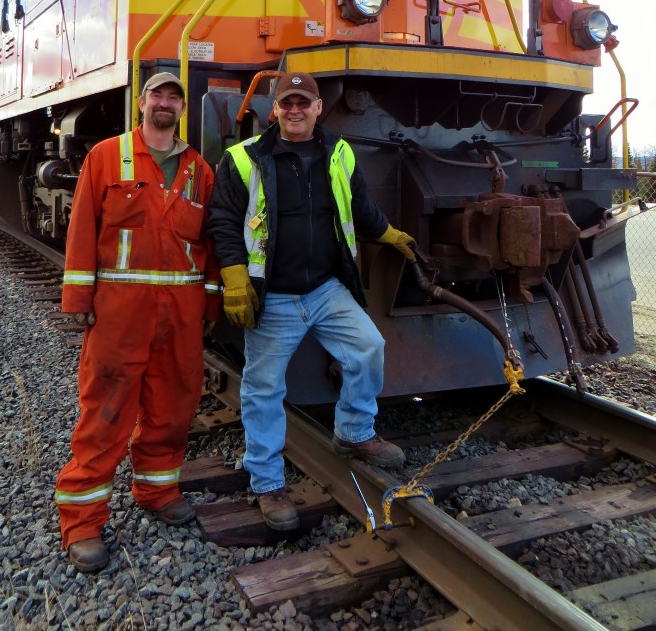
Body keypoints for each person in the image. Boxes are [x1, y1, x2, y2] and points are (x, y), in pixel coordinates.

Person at [207, 72, 416, 533]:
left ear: (319, 108)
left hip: (326, 290)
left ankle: (354, 433)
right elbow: (222, 218)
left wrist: (386, 233)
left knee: (368, 347)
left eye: (304, 103)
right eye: (287, 103)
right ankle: (266, 482)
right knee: (263, 389)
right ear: (274, 109)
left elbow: (359, 208)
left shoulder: (338, 154)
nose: (295, 110)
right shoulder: (243, 159)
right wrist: (234, 271)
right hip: (274, 295)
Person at [55, 73, 220, 573]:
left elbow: (209, 245)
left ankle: (157, 490)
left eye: (174, 97)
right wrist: (78, 297)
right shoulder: (106, 156)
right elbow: (83, 226)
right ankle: (82, 520)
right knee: (105, 410)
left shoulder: (199, 170)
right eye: (158, 95)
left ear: (182, 108)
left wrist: (210, 306)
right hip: (120, 314)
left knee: (173, 405)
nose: (165, 104)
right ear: (142, 104)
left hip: (181, 314)